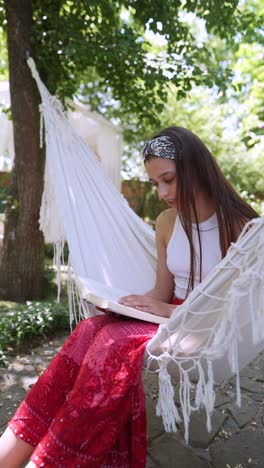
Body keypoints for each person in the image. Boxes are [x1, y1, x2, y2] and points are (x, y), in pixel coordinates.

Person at [0, 126, 258, 467]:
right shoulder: (167, 222)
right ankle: (13, 448)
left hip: (201, 328)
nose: (162, 192)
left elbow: (230, 313)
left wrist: (164, 309)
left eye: (169, 179)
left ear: (196, 167)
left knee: (112, 344)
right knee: (89, 329)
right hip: (166, 314)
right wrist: (125, 302)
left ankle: (54, 458)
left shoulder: (243, 229)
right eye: (155, 183)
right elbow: (162, 292)